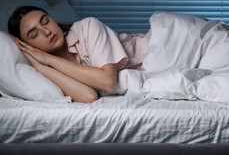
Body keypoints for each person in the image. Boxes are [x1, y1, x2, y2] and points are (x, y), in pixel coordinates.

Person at [8, 6, 150, 103]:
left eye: (46, 21)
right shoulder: (48, 70)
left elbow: (108, 81)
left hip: (160, 46)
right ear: (28, 46)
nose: (47, 31)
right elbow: (89, 96)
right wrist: (41, 66)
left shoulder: (88, 26)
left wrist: (48, 59)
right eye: (34, 34)